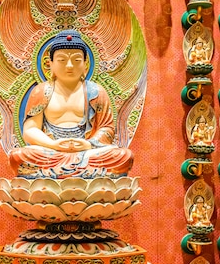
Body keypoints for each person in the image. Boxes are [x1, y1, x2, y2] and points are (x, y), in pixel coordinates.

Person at [8, 30, 133, 179]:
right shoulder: (41, 91)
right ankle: (82, 173)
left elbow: (107, 129)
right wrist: (53, 145)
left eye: (76, 60)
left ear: (85, 65)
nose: (69, 66)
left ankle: (58, 174)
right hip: (51, 152)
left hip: (88, 151)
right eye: (61, 60)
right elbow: (29, 131)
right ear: (51, 64)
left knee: (122, 156)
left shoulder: (96, 92)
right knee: (19, 156)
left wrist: (88, 144)